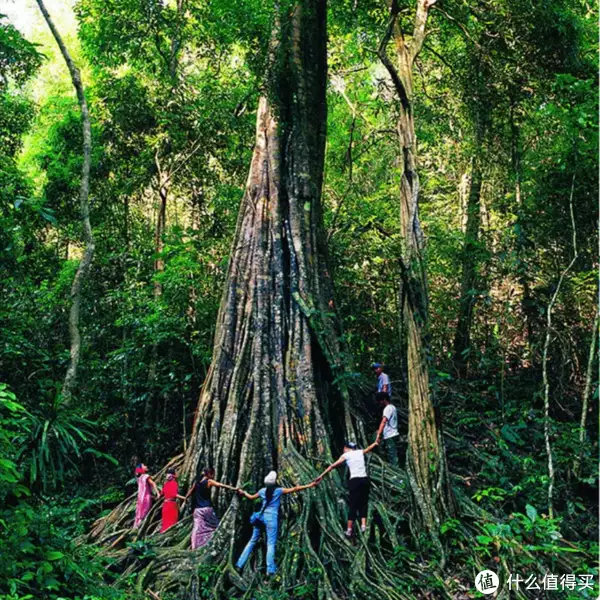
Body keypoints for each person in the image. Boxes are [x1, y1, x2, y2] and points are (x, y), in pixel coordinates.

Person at [236, 471, 316, 576]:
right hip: (271, 519)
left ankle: (239, 564)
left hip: (260, 517)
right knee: (271, 544)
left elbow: (250, 497)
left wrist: (243, 492)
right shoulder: (278, 491)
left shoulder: (262, 491)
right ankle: (270, 570)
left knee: (252, 541)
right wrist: (310, 485)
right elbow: (295, 489)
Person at [315, 439, 378, 538]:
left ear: (346, 448)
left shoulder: (346, 455)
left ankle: (349, 530)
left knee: (353, 504)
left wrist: (321, 476)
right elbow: (368, 448)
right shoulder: (360, 452)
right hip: (365, 480)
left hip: (355, 481)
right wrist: (375, 442)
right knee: (363, 502)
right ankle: (363, 526)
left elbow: (332, 466)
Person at [184, 467, 237, 549]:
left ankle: (194, 546)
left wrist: (186, 498)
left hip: (197, 510)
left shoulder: (197, 482)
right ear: (209, 474)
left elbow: (190, 491)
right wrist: (234, 488)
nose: (213, 476)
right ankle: (212, 544)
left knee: (197, 528)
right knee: (216, 526)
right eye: (213, 474)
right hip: (207, 509)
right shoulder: (209, 481)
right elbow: (220, 485)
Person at [375, 392, 400, 466]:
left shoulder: (387, 408)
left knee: (392, 456)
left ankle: (396, 473)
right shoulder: (393, 407)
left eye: (380, 400)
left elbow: (383, 421)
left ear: (384, 399)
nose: (380, 403)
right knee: (393, 454)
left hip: (390, 435)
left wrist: (378, 434)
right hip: (394, 433)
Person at [160, 468, 185, 533]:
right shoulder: (174, 483)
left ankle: (164, 533)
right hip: (171, 505)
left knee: (165, 521)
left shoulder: (165, 484)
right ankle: (170, 534)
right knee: (172, 521)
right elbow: (175, 494)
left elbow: (161, 494)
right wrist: (184, 498)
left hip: (165, 505)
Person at [134, 463, 159, 528]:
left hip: (140, 499)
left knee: (140, 513)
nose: (146, 466)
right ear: (142, 469)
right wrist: (158, 493)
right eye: (144, 465)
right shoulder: (146, 476)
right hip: (146, 498)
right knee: (145, 514)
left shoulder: (139, 478)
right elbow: (153, 484)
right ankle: (141, 527)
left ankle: (137, 526)